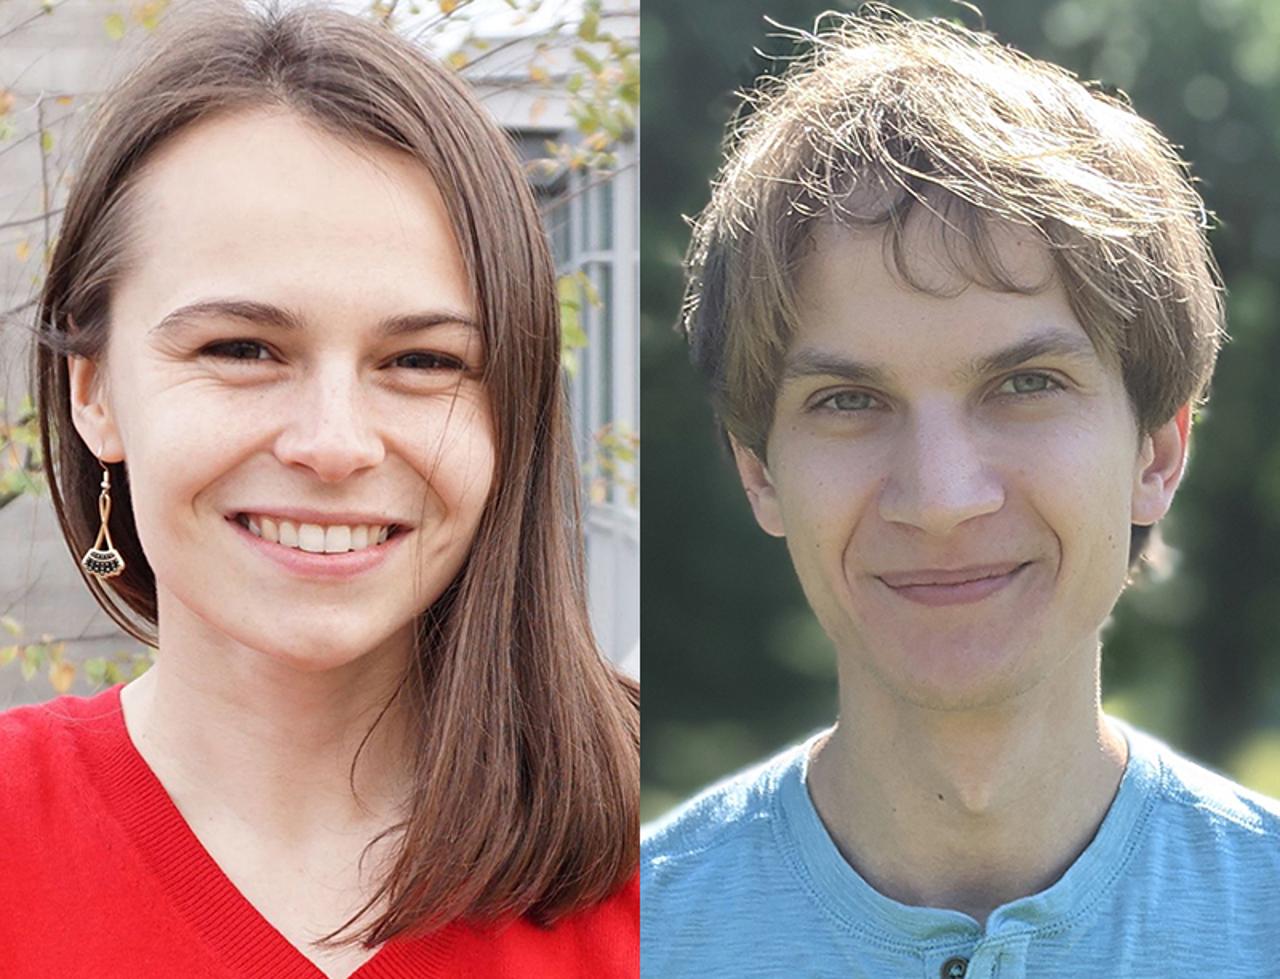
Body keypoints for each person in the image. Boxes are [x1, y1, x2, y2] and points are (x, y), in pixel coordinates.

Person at [0, 3, 638, 977]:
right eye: (242, 348)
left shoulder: (696, 851)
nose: (333, 444)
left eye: (422, 360)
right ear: (95, 393)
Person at [642, 7, 1280, 977]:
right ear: (758, 472)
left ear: (1155, 453)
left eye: (1023, 385)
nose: (938, 498)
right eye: (848, 400)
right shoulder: (617, 943)